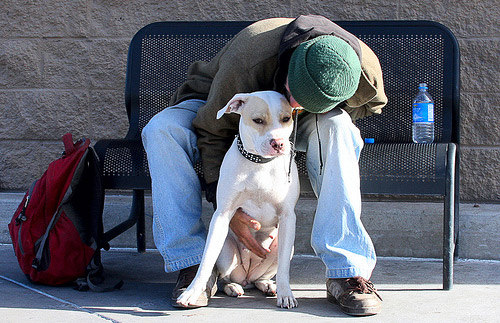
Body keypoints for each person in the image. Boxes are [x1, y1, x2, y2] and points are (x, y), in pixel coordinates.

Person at [141, 14, 387, 316]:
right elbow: (212, 130)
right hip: (214, 103)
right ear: (289, 65)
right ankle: (193, 266)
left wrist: (308, 113)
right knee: (161, 131)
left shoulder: (365, 74)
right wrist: (228, 203)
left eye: (303, 100)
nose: (295, 101)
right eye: (293, 93)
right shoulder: (251, 54)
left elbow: (370, 106)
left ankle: (345, 269)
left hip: (294, 121)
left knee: (340, 128)